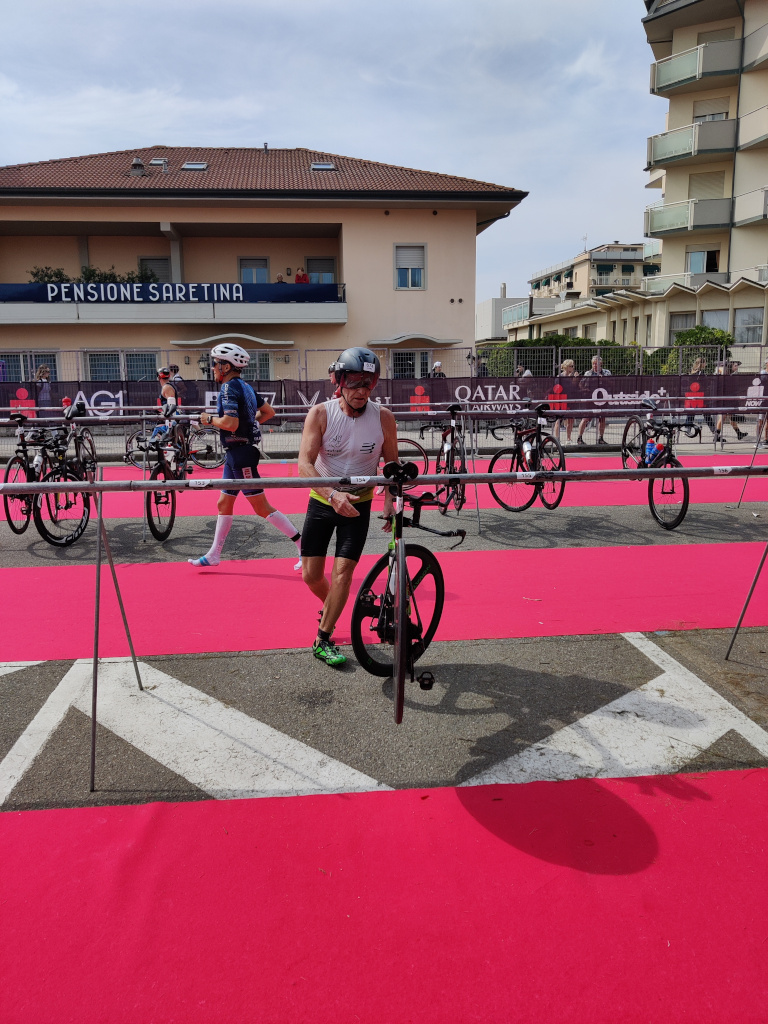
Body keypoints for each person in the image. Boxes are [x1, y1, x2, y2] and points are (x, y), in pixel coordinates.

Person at [299, 346, 398, 667]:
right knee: (312, 576)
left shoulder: (383, 418)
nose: (362, 390)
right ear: (339, 381)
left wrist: (389, 499)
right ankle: (334, 605)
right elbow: (304, 465)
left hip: (359, 503)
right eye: (355, 382)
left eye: (369, 383)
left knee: (343, 573)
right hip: (322, 500)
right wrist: (331, 494)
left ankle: (323, 638)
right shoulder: (321, 414)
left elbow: (392, 466)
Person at [189, 343, 302, 570]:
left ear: (226, 366)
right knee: (223, 503)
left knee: (261, 508)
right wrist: (249, 424)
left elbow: (230, 423)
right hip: (236, 454)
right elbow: (269, 412)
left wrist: (208, 419)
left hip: (241, 455)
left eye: (215, 364)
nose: (212, 368)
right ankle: (214, 555)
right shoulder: (246, 386)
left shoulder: (228, 388)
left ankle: (304, 546)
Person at [576, 355, 612, 445]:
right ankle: (579, 438)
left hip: (602, 398)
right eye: (593, 364)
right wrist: (584, 389)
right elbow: (581, 384)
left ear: (601, 364)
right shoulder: (588, 373)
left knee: (602, 418)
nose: (595, 365)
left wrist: (604, 379)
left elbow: (612, 383)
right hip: (591, 399)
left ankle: (601, 438)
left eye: (597, 364)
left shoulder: (606, 372)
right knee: (586, 418)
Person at [715, 360, 748, 442]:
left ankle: (739, 433)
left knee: (731, 416)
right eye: (735, 366)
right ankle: (716, 436)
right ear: (730, 366)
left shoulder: (730, 375)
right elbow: (720, 370)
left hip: (728, 399)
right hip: (724, 399)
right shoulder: (725, 374)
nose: (737, 367)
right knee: (723, 417)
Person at [148, 367, 181, 444]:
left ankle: (152, 444)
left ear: (158, 377)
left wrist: (166, 413)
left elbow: (171, 404)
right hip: (170, 413)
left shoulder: (167, 387)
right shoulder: (167, 386)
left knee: (160, 431)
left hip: (172, 415)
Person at [557, 359, 578, 443]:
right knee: (559, 420)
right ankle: (557, 439)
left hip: (570, 399)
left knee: (570, 419)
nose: (573, 368)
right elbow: (557, 388)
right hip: (561, 399)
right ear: (566, 367)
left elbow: (574, 387)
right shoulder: (560, 376)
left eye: (573, 366)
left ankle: (568, 438)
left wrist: (575, 379)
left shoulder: (572, 376)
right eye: (571, 366)